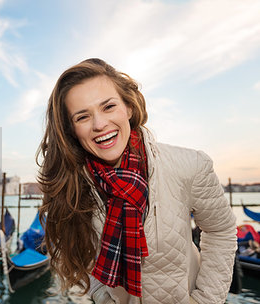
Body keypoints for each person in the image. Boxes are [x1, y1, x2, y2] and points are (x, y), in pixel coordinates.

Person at [37, 58, 237, 304]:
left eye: (108, 107)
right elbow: (77, 253)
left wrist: (207, 300)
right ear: (71, 130)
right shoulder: (73, 185)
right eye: (83, 117)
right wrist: (102, 297)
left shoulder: (189, 165)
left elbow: (221, 230)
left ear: (128, 108)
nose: (100, 124)